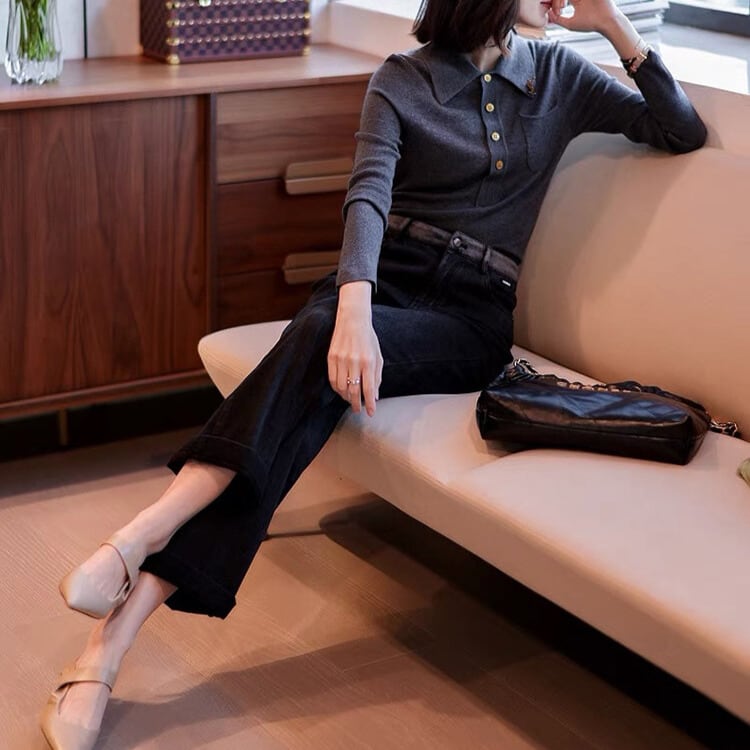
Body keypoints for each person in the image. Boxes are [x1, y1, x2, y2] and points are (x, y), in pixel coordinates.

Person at [40, 0, 706, 747]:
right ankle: (111, 641)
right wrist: (354, 309)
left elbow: (679, 129)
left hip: (469, 316)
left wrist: (613, 24)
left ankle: (134, 545)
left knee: (312, 343)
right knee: (313, 366)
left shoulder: (559, 74)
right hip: (382, 280)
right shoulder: (403, 78)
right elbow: (368, 194)